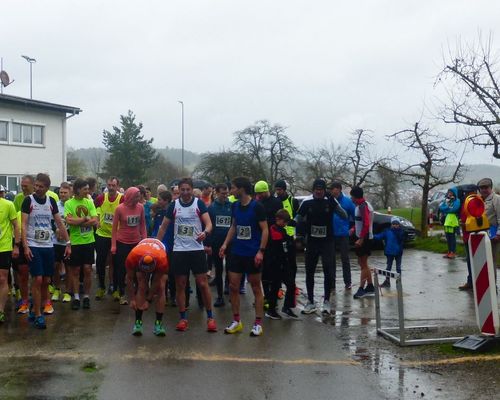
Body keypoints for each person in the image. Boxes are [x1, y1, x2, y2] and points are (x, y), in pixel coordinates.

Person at [156, 177, 216, 332]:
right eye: (182, 190)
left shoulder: (199, 203)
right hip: (179, 250)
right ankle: (183, 318)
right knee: (180, 285)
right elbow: (163, 227)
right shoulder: (174, 206)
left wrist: (205, 232)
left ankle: (210, 317)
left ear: (191, 189)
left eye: (187, 189)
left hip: (196, 249)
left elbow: (209, 223)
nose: (185, 192)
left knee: (202, 284)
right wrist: (156, 245)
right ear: (179, 190)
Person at [219, 176, 269, 337]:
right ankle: (236, 321)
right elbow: (234, 226)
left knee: (255, 287)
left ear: (241, 189)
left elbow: (265, 230)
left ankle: (258, 323)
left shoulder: (257, 207)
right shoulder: (235, 206)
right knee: (233, 286)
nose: (231, 191)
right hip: (236, 252)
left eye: (233, 188)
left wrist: (261, 251)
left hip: (252, 253)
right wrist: (225, 244)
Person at [22, 173, 70, 329]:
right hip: (33, 244)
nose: (37, 188)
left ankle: (36, 307)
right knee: (38, 279)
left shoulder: (51, 201)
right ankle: (38, 314)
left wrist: (68, 242)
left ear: (47, 188)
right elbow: (23, 224)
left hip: (48, 245)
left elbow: (59, 222)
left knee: (46, 281)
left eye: (40, 186)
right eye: (36, 185)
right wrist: (25, 246)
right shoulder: (28, 200)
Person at [296, 179, 347, 314]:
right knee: (309, 271)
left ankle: (327, 301)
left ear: (325, 190)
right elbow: (298, 219)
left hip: (327, 241)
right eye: (316, 189)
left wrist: (332, 202)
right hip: (312, 241)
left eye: (321, 189)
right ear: (313, 190)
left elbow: (344, 215)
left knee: (328, 271)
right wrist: (299, 236)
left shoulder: (329, 200)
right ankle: (311, 302)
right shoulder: (307, 202)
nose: (318, 192)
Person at [65, 178, 98, 310]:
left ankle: (86, 297)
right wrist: (85, 219)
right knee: (75, 270)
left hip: (89, 241)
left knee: (88, 269)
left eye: (88, 188)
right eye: (85, 189)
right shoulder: (69, 203)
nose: (88, 191)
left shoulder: (89, 202)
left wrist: (78, 221)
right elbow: (69, 221)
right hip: (76, 241)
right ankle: (77, 297)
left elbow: (95, 220)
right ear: (78, 189)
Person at [125, 238, 169, 336]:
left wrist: (148, 300)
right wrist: (132, 299)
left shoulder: (162, 259)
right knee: (142, 284)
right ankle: (138, 322)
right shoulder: (133, 256)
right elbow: (129, 279)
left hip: (160, 248)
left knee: (161, 286)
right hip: (141, 248)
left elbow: (156, 281)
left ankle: (159, 323)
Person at [111, 186, 147, 304]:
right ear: (130, 196)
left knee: (138, 269)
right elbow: (114, 228)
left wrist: (145, 241)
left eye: (139, 196)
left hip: (136, 243)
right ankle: (122, 293)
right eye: (136, 196)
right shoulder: (119, 209)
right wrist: (113, 245)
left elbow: (142, 225)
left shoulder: (140, 207)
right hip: (122, 243)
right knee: (121, 269)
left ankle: (137, 293)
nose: (138, 198)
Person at [94, 177, 123, 299]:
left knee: (116, 263)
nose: (111, 187)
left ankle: (115, 288)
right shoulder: (101, 198)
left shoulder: (122, 198)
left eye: (113, 185)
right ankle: (101, 287)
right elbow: (92, 207)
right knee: (100, 262)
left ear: (117, 186)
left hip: (116, 236)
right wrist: (95, 218)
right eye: (109, 185)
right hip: (102, 234)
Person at [255, 180, 283, 305]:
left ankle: (274, 295)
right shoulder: (258, 203)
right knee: (264, 269)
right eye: (257, 193)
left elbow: (280, 219)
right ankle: (266, 295)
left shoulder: (276, 202)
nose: (259, 195)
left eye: (261, 193)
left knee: (274, 268)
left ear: (266, 191)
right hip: (262, 239)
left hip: (274, 239)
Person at [266, 209, 298, 319]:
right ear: (278, 220)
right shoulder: (273, 230)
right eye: (284, 222)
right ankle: (271, 309)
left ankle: (287, 307)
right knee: (275, 287)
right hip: (275, 263)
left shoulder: (281, 230)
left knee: (291, 285)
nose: (285, 224)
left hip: (283, 263)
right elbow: (279, 245)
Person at [206, 183, 232, 307]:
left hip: (230, 242)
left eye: (227, 193)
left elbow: (234, 225)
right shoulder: (211, 208)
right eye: (223, 193)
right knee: (219, 268)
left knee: (231, 268)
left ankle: (229, 289)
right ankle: (220, 296)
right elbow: (209, 228)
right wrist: (209, 244)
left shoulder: (231, 206)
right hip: (216, 242)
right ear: (216, 193)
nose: (225, 196)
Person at [274, 179, 300, 300]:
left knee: (292, 265)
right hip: (279, 238)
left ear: (284, 190)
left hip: (291, 237)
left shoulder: (292, 201)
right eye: (276, 190)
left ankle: (292, 286)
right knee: (279, 265)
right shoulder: (275, 201)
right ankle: (278, 288)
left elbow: (298, 217)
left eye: (279, 189)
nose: (277, 192)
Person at [350, 186, 375, 299]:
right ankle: (370, 286)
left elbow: (366, 223)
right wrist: (354, 229)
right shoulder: (359, 206)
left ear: (355, 197)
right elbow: (360, 222)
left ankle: (361, 289)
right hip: (361, 236)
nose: (351, 199)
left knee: (363, 264)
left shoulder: (363, 206)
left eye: (352, 196)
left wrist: (361, 238)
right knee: (362, 263)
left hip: (365, 238)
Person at [0, 185, 20, 323]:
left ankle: (0, 309)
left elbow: (16, 225)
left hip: (4, 247)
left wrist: (16, 245)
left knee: (2, 279)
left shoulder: (8, 205)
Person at [330, 181, 355, 290]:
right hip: (331, 234)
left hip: (343, 234)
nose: (334, 193)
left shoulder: (347, 202)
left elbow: (355, 216)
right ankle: (331, 283)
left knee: (345, 259)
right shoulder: (329, 201)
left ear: (340, 190)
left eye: (335, 190)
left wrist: (352, 228)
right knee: (331, 259)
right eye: (332, 190)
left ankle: (348, 282)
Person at [51, 182, 73, 303]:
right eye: (61, 193)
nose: (62, 195)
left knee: (69, 268)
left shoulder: (71, 205)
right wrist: (56, 231)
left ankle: (68, 292)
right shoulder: (55, 205)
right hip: (55, 241)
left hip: (68, 242)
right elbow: (50, 221)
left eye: (65, 193)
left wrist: (65, 234)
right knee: (55, 266)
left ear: (70, 193)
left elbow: (74, 223)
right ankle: (56, 289)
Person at [373, 217, 404, 287]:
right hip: (389, 253)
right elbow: (380, 236)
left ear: (399, 225)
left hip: (398, 253)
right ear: (391, 224)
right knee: (388, 268)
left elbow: (402, 239)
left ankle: (398, 282)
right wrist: (372, 236)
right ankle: (387, 282)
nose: (395, 225)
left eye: (396, 224)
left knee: (398, 268)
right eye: (393, 224)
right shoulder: (387, 231)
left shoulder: (401, 232)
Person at [477, 178, 500, 266]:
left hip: (493, 235)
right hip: (481, 233)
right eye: (481, 188)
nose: (483, 190)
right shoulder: (479, 200)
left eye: (486, 187)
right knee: (482, 262)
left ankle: (492, 280)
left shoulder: (496, 199)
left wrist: (498, 234)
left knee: (491, 261)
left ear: (491, 188)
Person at [439, 187, 461, 259]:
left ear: (454, 193)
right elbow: (441, 208)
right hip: (447, 222)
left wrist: (446, 208)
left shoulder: (457, 200)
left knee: (452, 237)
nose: (449, 194)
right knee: (448, 237)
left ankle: (453, 252)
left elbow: (454, 209)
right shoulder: (447, 200)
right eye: (449, 192)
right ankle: (449, 251)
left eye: (451, 192)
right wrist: (447, 208)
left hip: (453, 222)